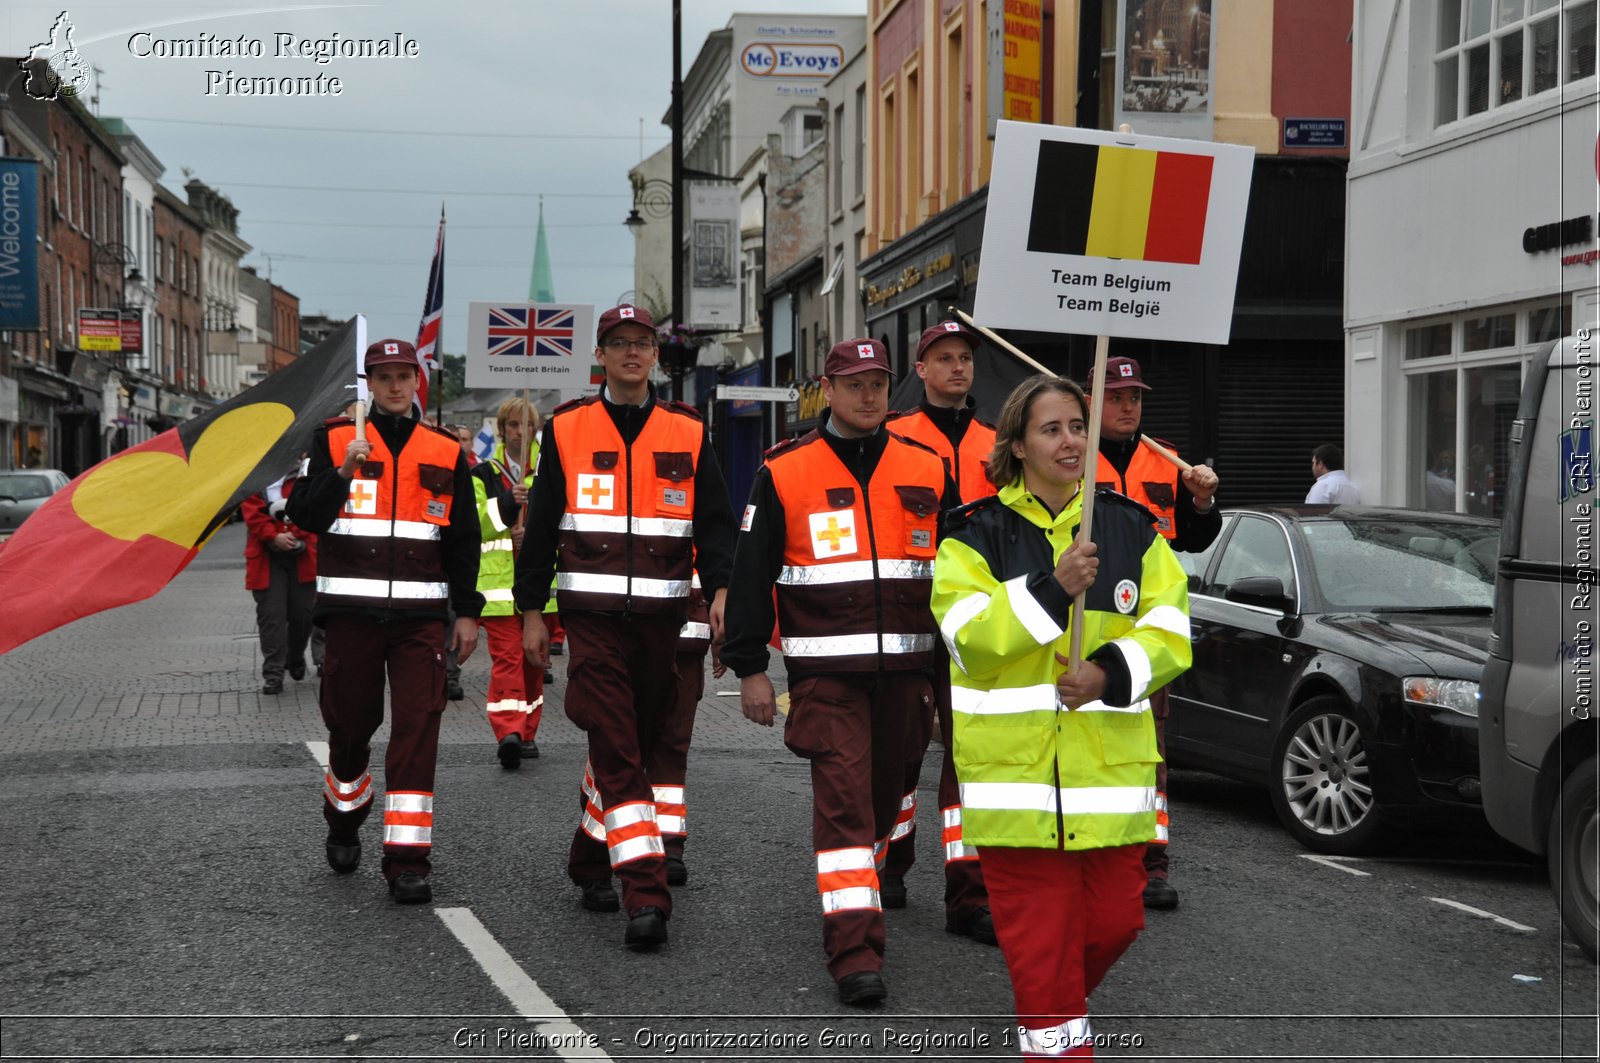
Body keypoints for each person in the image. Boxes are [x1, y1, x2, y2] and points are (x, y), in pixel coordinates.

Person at [931, 374, 1191, 1059]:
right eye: (1052, 428)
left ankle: (1048, 1012)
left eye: (1078, 424)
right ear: (1016, 444)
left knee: (1114, 925)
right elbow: (969, 639)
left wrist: (1107, 672)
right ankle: (1050, 1026)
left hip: (1109, 788)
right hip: (1017, 792)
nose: (1071, 439)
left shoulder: (1132, 527)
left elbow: (1171, 631)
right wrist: (1053, 588)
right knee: (1045, 967)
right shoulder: (972, 533)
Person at [721, 337, 959, 1007]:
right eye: (853, 383)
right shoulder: (784, 471)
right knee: (846, 806)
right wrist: (749, 668)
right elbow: (750, 575)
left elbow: (964, 575)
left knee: (886, 799)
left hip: (909, 676)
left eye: (878, 382)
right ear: (827, 389)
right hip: (827, 680)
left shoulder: (929, 467)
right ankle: (854, 949)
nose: (867, 394)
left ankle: (859, 886)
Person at [514, 303, 736, 951]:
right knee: (615, 738)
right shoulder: (567, 428)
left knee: (633, 740)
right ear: (602, 356)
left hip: (664, 620)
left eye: (643, 343)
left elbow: (716, 523)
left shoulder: (687, 431)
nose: (633, 352)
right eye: (620, 343)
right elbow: (543, 526)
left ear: (655, 355)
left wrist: (721, 591)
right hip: (593, 619)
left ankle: (588, 856)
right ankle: (645, 887)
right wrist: (533, 609)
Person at [285, 338, 483, 906]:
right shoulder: (333, 439)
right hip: (350, 617)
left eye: (405, 376)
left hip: (421, 619)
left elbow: (462, 540)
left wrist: (467, 612)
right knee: (350, 730)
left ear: (417, 382)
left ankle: (406, 859)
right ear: (368, 385)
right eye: (384, 377)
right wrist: (343, 470)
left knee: (418, 731)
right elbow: (304, 514)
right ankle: (344, 816)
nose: (396, 387)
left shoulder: (445, 449)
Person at [880, 320, 998, 944]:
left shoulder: (999, 444)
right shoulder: (894, 436)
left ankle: (970, 891)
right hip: (907, 616)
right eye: (943, 358)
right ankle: (891, 861)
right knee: (899, 751)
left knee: (970, 756)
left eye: (964, 358)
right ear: (920, 370)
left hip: (976, 625)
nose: (957, 367)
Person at [1090, 355, 1219, 911]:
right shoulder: (1069, 455)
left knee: (1151, 749)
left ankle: (1152, 862)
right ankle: (1096, 854)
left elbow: (1192, 539)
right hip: (1088, 620)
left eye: (1135, 398)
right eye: (1117, 398)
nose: (1127, 407)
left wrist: (1201, 501)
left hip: (1147, 627)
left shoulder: (1163, 457)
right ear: (1092, 402)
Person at [471, 399, 545, 770]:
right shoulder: (484, 472)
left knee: (534, 659)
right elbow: (475, 523)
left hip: (540, 586)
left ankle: (528, 729)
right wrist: (505, 505)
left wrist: (531, 535)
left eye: (526, 425)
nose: (520, 432)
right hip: (499, 587)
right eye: (513, 425)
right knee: (508, 659)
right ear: (502, 430)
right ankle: (509, 732)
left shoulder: (550, 471)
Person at [241, 460, 318, 695]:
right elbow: (252, 512)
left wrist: (293, 536)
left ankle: (294, 657)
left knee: (302, 616)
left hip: (302, 554)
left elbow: (313, 508)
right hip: (267, 556)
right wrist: (273, 536)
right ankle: (273, 674)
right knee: (272, 616)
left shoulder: (306, 472)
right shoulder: (255, 475)